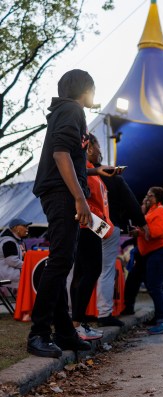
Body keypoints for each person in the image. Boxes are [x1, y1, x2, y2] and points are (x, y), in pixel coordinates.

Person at [27, 69, 109, 358]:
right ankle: (38, 333)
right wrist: (80, 199)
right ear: (85, 89)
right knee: (61, 262)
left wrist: (94, 170)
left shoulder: (67, 110)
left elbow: (69, 156)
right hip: (62, 194)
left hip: (59, 191)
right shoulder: (73, 110)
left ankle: (63, 331)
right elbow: (61, 155)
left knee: (62, 260)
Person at [69, 135, 114, 341]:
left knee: (82, 273)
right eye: (97, 146)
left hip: (93, 225)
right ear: (88, 148)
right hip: (87, 224)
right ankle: (77, 323)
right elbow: (83, 199)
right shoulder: (82, 169)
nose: (99, 150)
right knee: (90, 271)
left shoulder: (92, 170)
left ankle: (77, 323)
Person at [97, 167, 148, 326]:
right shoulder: (113, 178)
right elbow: (130, 201)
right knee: (106, 270)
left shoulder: (78, 174)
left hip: (86, 224)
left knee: (81, 272)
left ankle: (75, 314)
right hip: (107, 225)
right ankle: (104, 313)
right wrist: (142, 223)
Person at [133, 187, 163, 334]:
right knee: (158, 286)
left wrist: (139, 232)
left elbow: (159, 231)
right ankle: (162, 317)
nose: (147, 198)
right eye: (146, 195)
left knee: (155, 286)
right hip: (158, 251)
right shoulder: (153, 210)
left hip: (161, 250)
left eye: (150, 196)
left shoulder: (161, 210)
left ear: (158, 197)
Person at [0, 218, 30, 289]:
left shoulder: (12, 241)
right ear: (16, 228)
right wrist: (29, 265)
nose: (27, 229)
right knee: (33, 274)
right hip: (6, 274)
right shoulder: (9, 242)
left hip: (7, 272)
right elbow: (12, 261)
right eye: (25, 226)